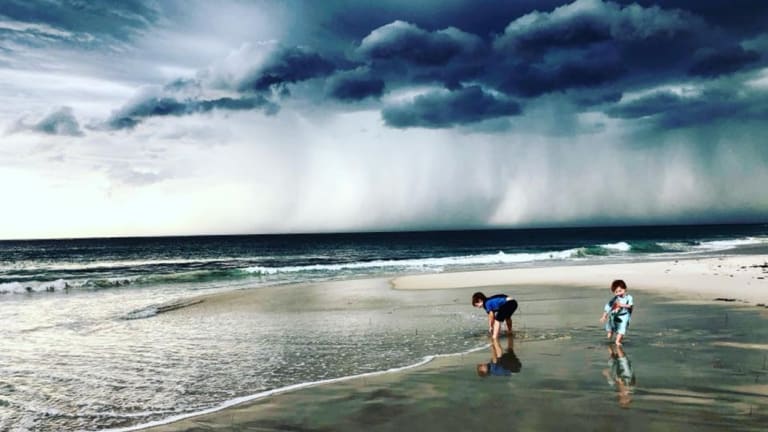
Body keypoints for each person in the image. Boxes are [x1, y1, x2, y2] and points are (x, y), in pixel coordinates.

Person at [599, 279, 634, 346]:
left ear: (625, 289)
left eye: (620, 291)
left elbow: (630, 306)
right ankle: (610, 333)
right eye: (616, 292)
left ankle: (617, 341)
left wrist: (621, 305)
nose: (618, 293)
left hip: (623, 316)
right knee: (610, 330)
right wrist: (604, 316)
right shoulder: (615, 299)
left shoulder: (629, 297)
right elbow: (608, 307)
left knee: (622, 329)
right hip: (614, 315)